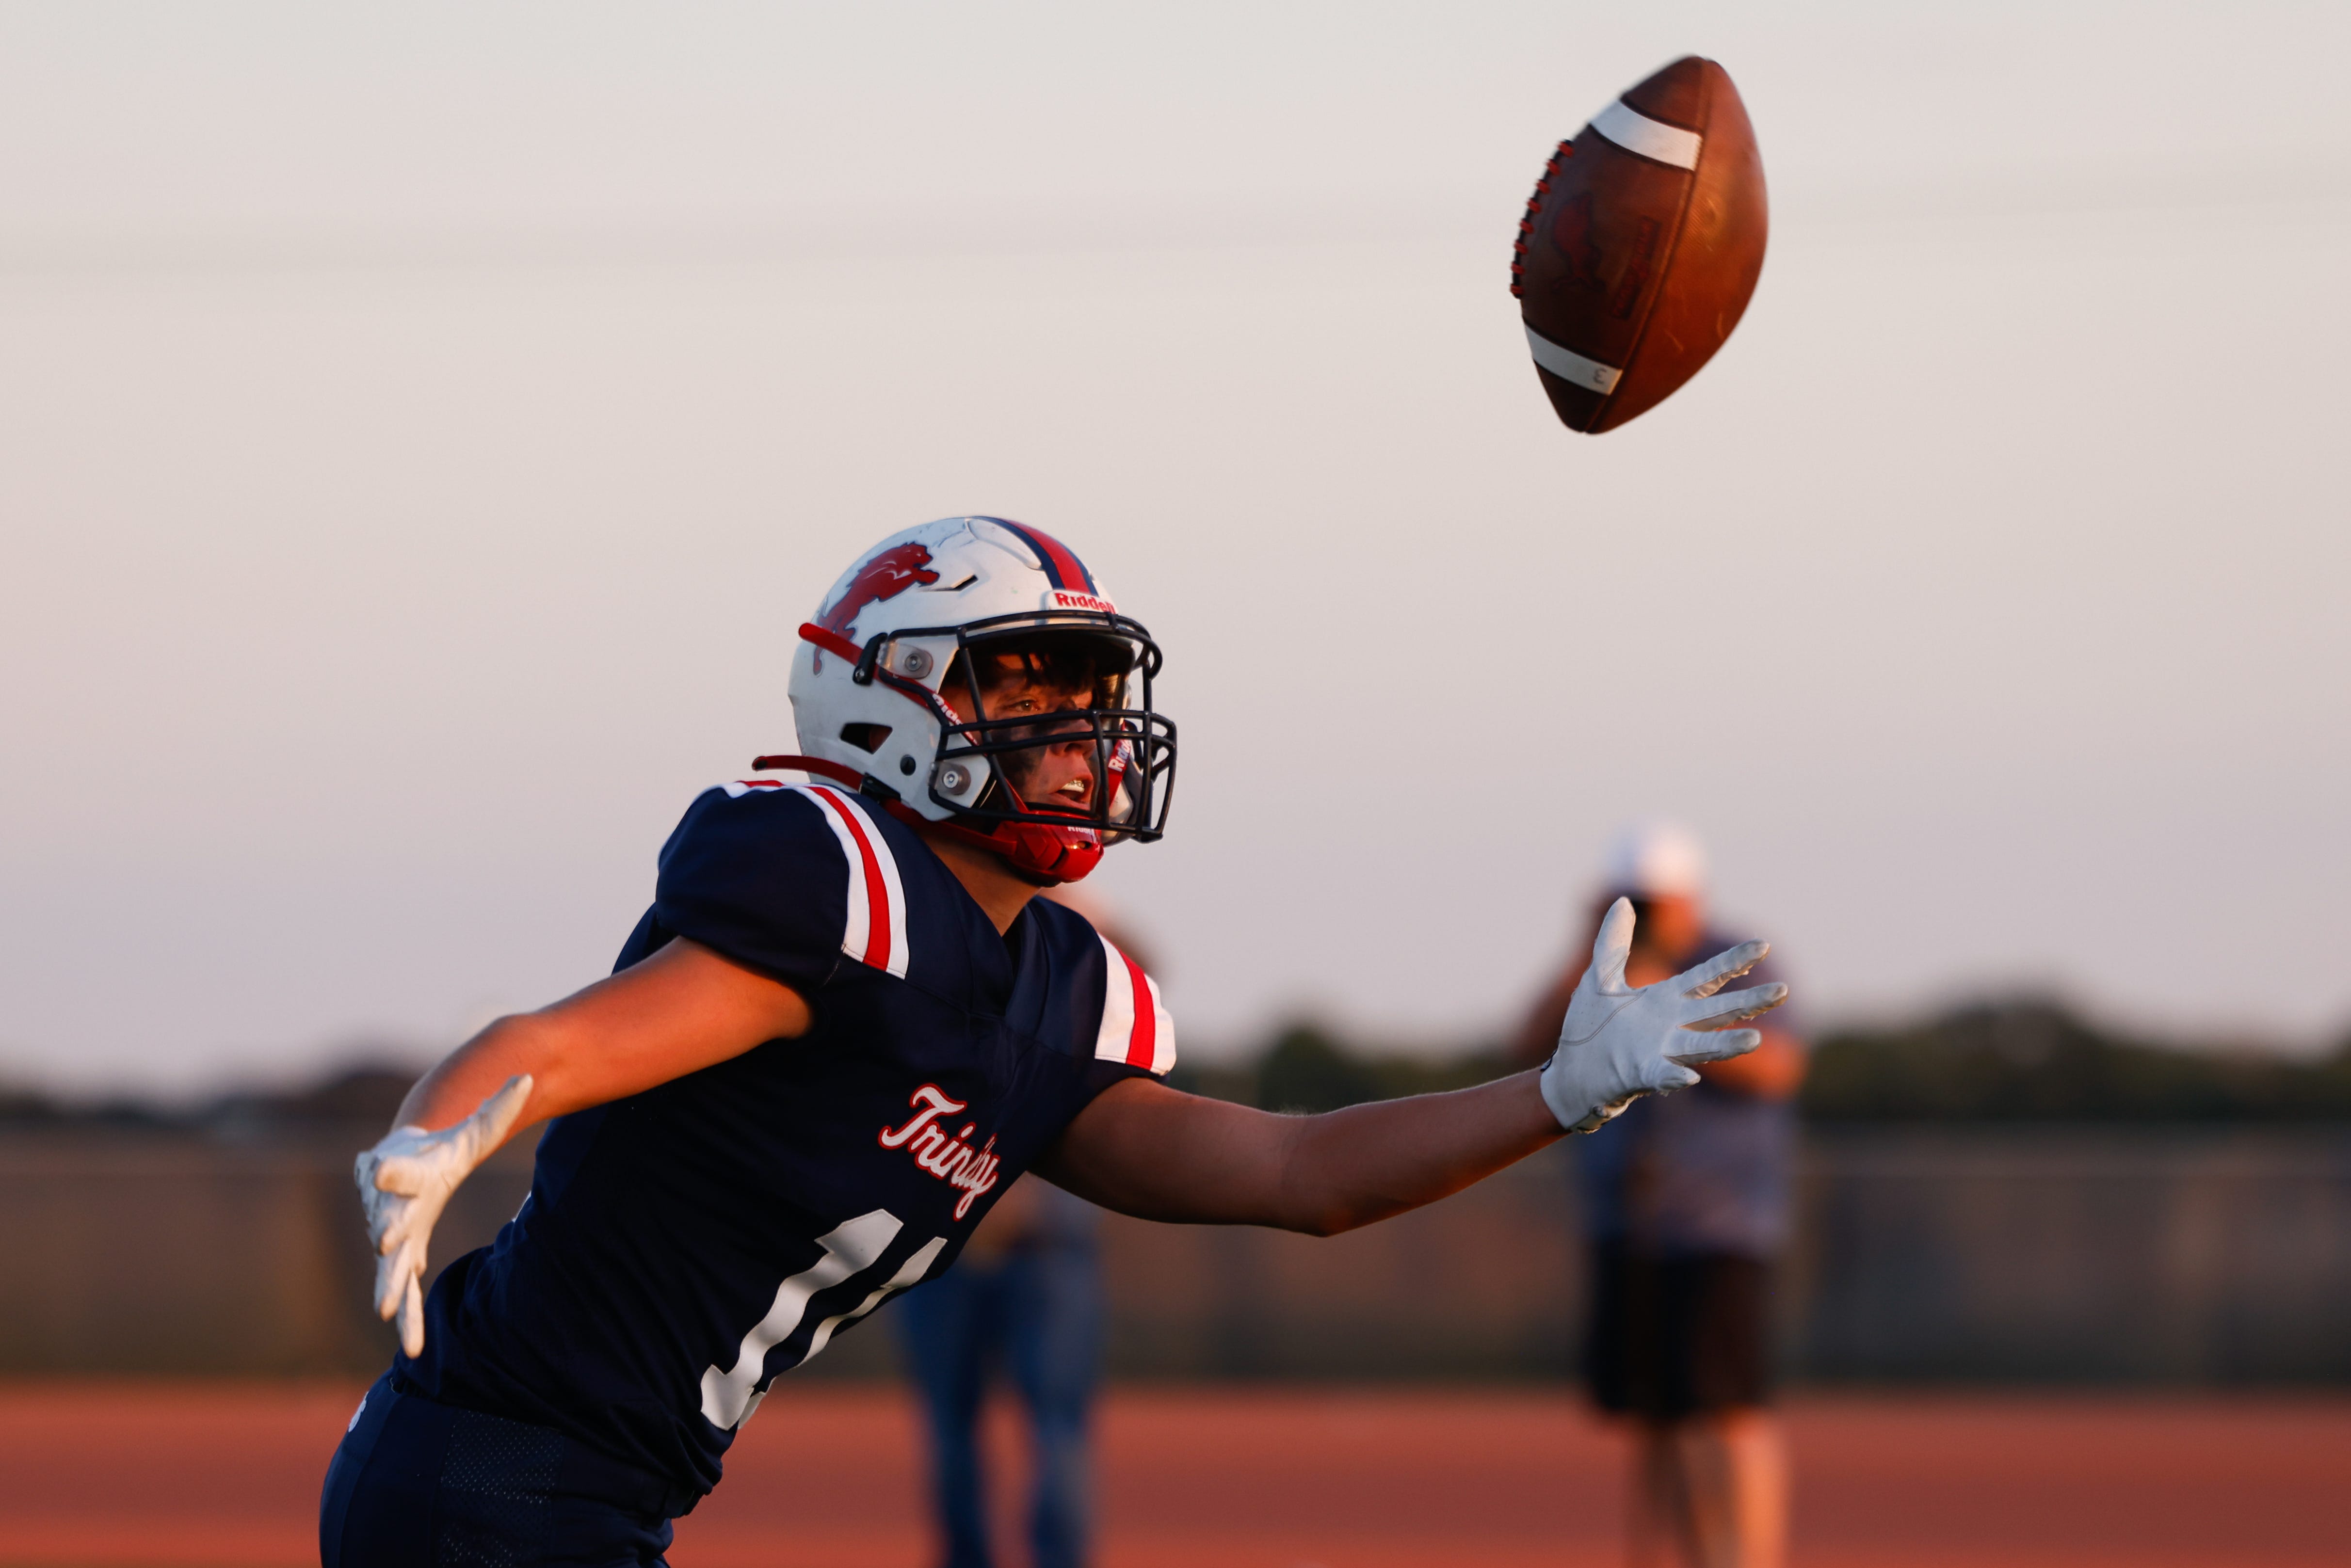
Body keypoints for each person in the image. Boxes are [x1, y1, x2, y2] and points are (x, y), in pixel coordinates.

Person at [323, 517, 1787, 1567]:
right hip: (491, 1482)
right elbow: (567, 1041)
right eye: (1026, 686)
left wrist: (1555, 1091)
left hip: (589, 1497)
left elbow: (1299, 1173)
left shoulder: (1062, 995)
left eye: (1091, 692)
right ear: (889, 704)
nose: (1083, 730)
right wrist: (448, 1127)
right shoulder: (837, 885)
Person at [1512, 822, 1807, 1568]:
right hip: (1628, 1218)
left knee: (1725, 1412)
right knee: (1663, 1411)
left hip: (1717, 1222)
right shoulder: (1602, 967)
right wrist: (1592, 955)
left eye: (1652, 901)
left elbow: (1777, 1069)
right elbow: (1526, 1047)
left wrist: (1667, 1030)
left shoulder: (1736, 957)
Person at [890, 884, 1129, 1568]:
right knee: (1018, 1426)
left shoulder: (1059, 977)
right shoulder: (954, 970)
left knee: (1004, 1427)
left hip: (1007, 1244)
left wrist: (1067, 904)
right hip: (964, 1246)